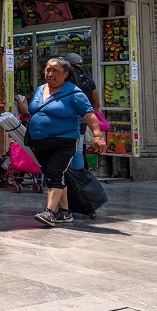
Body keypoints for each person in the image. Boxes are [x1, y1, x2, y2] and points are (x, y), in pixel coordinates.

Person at [28, 57, 105, 226]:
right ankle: (66, 212)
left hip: (64, 141)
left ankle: (49, 212)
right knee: (55, 175)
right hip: (39, 141)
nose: (50, 74)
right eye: (48, 70)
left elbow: (89, 115)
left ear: (66, 74)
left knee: (55, 174)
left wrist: (98, 136)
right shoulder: (41, 89)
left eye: (55, 71)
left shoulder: (74, 93)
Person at [65, 52, 100, 170]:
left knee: (62, 151)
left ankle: (67, 177)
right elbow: (97, 103)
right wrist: (88, 116)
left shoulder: (66, 81)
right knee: (78, 151)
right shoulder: (89, 80)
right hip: (82, 120)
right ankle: (79, 178)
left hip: (66, 119)